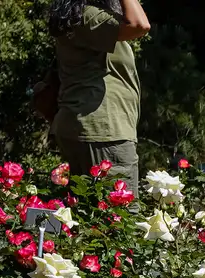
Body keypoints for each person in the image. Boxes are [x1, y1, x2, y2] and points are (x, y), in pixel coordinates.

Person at [49, 0, 149, 191]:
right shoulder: (87, 16)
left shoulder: (82, 18)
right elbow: (139, 25)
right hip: (104, 130)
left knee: (89, 212)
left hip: (88, 127)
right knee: (120, 213)